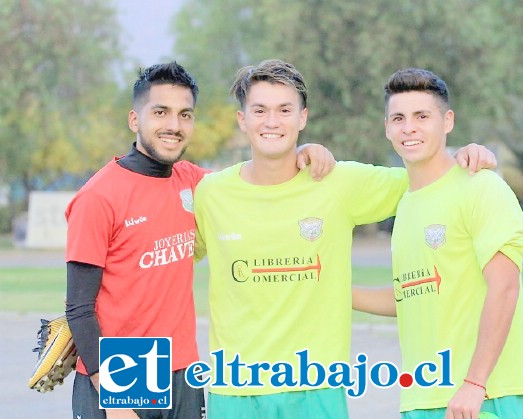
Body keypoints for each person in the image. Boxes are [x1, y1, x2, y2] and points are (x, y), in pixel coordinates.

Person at [192, 59, 497, 419]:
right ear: (242, 119)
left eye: (284, 110)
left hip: (317, 389)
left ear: (302, 118)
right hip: (235, 390)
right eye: (260, 110)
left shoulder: (336, 181)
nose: (272, 121)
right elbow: (167, 258)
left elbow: (427, 177)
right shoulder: (211, 193)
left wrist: (467, 157)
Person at [64, 62, 335, 419]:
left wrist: (303, 151)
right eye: (160, 112)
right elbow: (79, 308)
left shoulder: (193, 181)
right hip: (123, 371)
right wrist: (114, 394)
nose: (173, 126)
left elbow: (249, 182)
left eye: (184, 114)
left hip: (184, 369)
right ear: (134, 119)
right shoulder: (99, 196)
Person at [353, 68, 523, 418]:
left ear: (447, 121)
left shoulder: (481, 187)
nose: (410, 128)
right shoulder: (406, 204)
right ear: (387, 127)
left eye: (422, 116)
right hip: (422, 398)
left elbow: (505, 288)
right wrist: (329, 290)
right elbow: (412, 293)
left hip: (481, 397)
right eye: (399, 118)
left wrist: (475, 384)